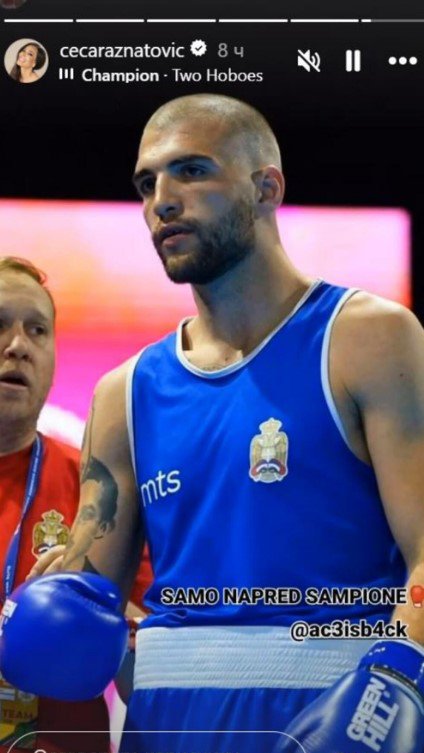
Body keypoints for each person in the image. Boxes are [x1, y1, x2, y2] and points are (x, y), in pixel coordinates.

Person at [3, 95, 424, 752]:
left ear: (266, 187)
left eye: (191, 171)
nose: (162, 201)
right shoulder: (124, 393)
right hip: (168, 726)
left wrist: (397, 677)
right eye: (147, 184)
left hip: (332, 711)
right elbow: (86, 603)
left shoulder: (369, 339)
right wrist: (48, 608)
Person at [0, 257, 110, 753]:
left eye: (37, 330)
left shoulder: (99, 489)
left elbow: (153, 651)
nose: (18, 346)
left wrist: (96, 612)